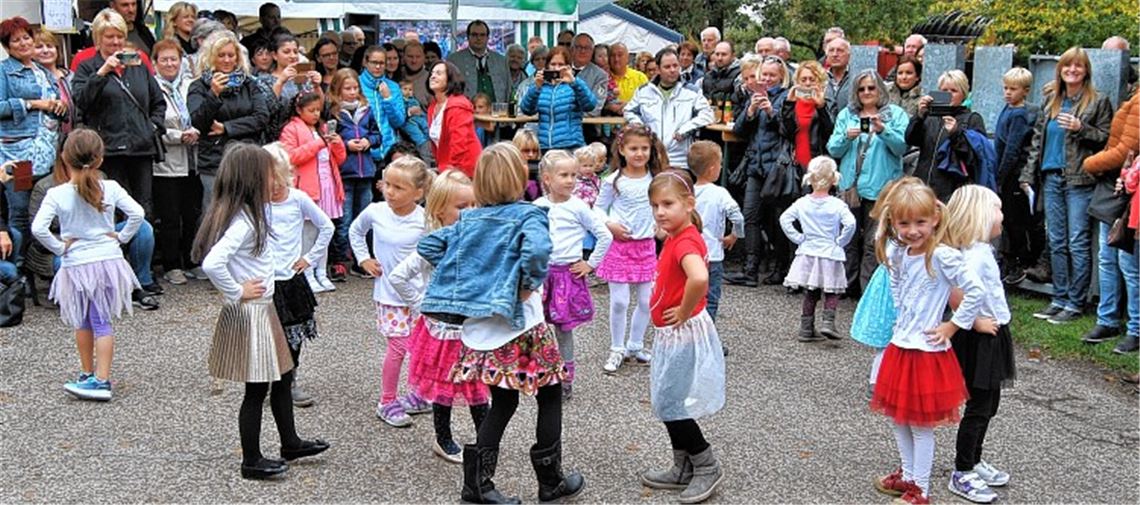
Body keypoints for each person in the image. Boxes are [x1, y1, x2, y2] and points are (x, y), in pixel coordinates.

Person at [420, 143, 583, 504]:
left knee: (504, 402)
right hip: (522, 327)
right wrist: (525, 284)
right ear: (518, 177)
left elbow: (430, 246)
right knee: (550, 395)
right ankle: (550, 480)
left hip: (484, 331)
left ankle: (476, 484)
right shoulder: (528, 215)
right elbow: (539, 252)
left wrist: (473, 285)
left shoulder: (469, 220)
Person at [193, 143, 329, 480]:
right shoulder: (246, 222)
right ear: (253, 179)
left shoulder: (245, 214)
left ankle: (290, 442)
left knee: (282, 375)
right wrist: (236, 291)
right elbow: (213, 263)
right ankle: (251, 460)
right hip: (253, 311)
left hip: (263, 308)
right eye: (269, 175)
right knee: (256, 390)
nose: (276, 180)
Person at [869, 178, 989, 505]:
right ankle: (907, 476)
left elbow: (976, 291)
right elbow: (896, 281)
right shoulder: (897, 250)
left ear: (935, 218)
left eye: (920, 222)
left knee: (920, 425)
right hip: (901, 346)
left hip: (927, 351)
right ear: (893, 222)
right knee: (897, 417)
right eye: (903, 223)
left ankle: (921, 490)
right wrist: (900, 316)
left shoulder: (942, 256)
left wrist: (953, 326)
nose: (912, 230)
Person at [31, 129, 143, 401]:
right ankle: (98, 377)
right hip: (108, 261)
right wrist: (121, 237)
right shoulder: (111, 187)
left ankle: (93, 376)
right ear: (100, 160)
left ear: (64, 159)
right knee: (100, 320)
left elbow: (38, 228)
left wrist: (60, 247)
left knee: (83, 319)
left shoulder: (57, 194)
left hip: (77, 263)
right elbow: (137, 214)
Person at [390, 169, 490, 463]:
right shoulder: (434, 244)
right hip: (444, 331)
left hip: (474, 328)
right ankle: (442, 438)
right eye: (461, 207)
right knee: (444, 388)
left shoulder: (479, 242)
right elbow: (398, 276)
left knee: (477, 385)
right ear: (439, 211)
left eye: (474, 205)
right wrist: (422, 304)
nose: (470, 212)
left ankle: (486, 439)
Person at [639, 169, 726, 504]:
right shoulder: (676, 235)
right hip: (673, 333)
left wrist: (687, 308)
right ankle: (682, 467)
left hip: (683, 334)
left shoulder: (686, 240)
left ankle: (706, 464)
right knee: (668, 400)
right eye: (655, 205)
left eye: (668, 204)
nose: (660, 211)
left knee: (670, 402)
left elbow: (700, 278)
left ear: (689, 204)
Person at [1024, 47, 1113, 324]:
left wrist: (1080, 128)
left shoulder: (1098, 101)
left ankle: (1076, 302)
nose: (1072, 70)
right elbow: (1037, 141)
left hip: (1080, 179)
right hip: (1051, 177)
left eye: (1078, 66)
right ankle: (1059, 298)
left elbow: (1106, 139)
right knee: (1056, 241)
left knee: (1077, 242)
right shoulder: (1051, 99)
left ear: (1086, 71)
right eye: (1067, 66)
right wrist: (1027, 175)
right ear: (1060, 70)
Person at [941, 185, 1017, 504]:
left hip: (994, 332)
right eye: (997, 209)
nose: (1002, 215)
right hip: (980, 336)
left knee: (989, 405)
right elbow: (958, 297)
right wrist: (976, 323)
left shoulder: (981, 249)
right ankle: (962, 471)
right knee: (979, 406)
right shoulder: (971, 255)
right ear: (979, 215)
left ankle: (974, 459)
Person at [350, 157, 434, 427]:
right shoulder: (375, 211)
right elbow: (356, 231)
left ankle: (418, 394)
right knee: (398, 347)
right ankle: (387, 401)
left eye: (399, 187)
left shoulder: (424, 220)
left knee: (420, 348)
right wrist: (364, 258)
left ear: (418, 193)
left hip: (419, 296)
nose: (390, 192)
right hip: (389, 296)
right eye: (387, 184)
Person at [72, 8, 165, 226]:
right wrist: (102, 73)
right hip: (108, 149)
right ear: (98, 38)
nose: (116, 41)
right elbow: (81, 102)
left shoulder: (139, 64)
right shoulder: (87, 67)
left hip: (140, 147)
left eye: (120, 36)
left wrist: (153, 127)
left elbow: (158, 102)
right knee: (112, 205)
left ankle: (142, 256)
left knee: (143, 206)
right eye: (109, 36)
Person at [534, 150, 614, 401]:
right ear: (547, 179)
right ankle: (542, 371)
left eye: (574, 175)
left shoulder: (578, 206)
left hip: (566, 275)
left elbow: (605, 235)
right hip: (541, 275)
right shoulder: (537, 207)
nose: (570, 181)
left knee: (563, 328)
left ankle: (566, 375)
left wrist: (590, 264)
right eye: (564, 175)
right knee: (537, 325)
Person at [263, 142, 334, 408]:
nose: (273, 186)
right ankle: (267, 381)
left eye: (277, 179)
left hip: (291, 278)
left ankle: (289, 379)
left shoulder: (297, 198)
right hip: (266, 279)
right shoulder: (256, 202)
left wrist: (310, 258)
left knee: (293, 334)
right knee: (268, 333)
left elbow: (325, 226)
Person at [827, 69, 909, 293]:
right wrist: (846, 136)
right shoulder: (847, 114)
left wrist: (883, 130)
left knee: (875, 242)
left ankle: (868, 291)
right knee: (848, 239)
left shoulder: (896, 115)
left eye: (871, 88)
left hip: (882, 189)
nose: (866, 92)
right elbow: (832, 147)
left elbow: (902, 146)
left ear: (880, 89)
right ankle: (845, 286)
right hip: (850, 188)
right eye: (861, 89)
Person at [595, 124, 667, 373]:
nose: (639, 153)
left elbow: (661, 206)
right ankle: (616, 347)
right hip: (619, 246)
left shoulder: (656, 179)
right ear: (622, 150)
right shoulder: (613, 180)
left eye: (644, 148)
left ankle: (635, 344)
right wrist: (610, 225)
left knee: (647, 300)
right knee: (619, 301)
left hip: (645, 246)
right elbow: (596, 209)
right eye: (634, 148)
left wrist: (661, 225)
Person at [1, 16, 66, 265]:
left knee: (44, 210)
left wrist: (57, 106)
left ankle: (40, 266)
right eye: (16, 40)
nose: (23, 43)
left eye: (26, 37)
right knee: (19, 211)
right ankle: (18, 271)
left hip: (47, 152)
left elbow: (51, 105)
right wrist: (31, 104)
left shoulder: (42, 71)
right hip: (19, 155)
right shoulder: (4, 71)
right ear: (7, 46)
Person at [726, 55, 794, 287]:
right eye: (763, 75)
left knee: (778, 219)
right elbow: (739, 129)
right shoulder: (753, 95)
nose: (766, 79)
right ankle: (750, 269)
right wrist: (751, 111)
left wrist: (772, 113)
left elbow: (790, 130)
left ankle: (781, 268)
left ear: (781, 77)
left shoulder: (787, 96)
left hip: (778, 168)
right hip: (756, 165)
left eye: (771, 75)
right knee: (750, 215)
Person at [1080, 92, 1139, 351]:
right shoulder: (1136, 96)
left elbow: (1127, 148)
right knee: (1109, 257)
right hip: (1121, 184)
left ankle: (1132, 327)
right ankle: (1109, 319)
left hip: (1127, 189)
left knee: (1127, 262)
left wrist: (1091, 163)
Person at [187, 30, 270, 209]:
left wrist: (227, 127)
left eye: (230, 55)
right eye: (221, 55)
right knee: (215, 212)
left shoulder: (249, 84)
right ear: (211, 57)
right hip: (215, 161)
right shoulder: (199, 86)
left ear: (237, 57)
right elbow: (198, 121)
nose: (226, 60)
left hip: (247, 157)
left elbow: (262, 118)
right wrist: (213, 94)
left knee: (249, 211)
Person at [779, 156, 856, 341]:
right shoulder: (837, 205)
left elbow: (785, 219)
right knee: (832, 289)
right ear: (833, 179)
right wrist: (840, 241)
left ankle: (806, 328)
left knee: (811, 291)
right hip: (830, 252)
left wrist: (798, 238)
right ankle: (828, 322)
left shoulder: (802, 203)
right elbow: (851, 224)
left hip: (808, 251)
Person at [279, 92, 347, 293]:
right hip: (307, 188)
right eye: (311, 110)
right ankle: (307, 273)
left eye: (318, 109)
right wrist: (318, 143)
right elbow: (290, 156)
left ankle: (321, 273)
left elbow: (340, 159)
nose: (316, 114)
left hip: (328, 186)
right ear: (299, 110)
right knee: (307, 234)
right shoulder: (291, 129)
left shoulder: (324, 128)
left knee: (324, 231)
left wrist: (337, 143)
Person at [151, 39, 201, 286]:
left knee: (192, 213)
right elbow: (154, 124)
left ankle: (191, 260)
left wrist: (197, 131)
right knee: (170, 217)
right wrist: (177, 136)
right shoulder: (152, 88)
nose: (170, 64)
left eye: (174, 59)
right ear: (155, 63)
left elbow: (201, 113)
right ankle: (172, 265)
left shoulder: (190, 85)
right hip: (167, 162)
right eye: (165, 59)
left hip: (193, 160)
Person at [329, 68, 382, 279]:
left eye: (355, 88)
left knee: (366, 218)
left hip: (366, 170)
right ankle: (340, 260)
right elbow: (329, 138)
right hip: (345, 171)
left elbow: (377, 135)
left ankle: (364, 259)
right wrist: (345, 144)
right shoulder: (334, 113)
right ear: (337, 90)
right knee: (345, 219)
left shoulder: (366, 110)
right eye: (347, 88)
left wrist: (369, 142)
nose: (352, 92)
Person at [624, 48, 714, 169]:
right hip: (650, 158)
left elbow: (707, 114)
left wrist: (685, 129)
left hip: (680, 161)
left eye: (675, 66)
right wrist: (642, 128)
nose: (672, 70)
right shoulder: (643, 91)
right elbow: (629, 111)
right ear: (658, 69)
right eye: (667, 67)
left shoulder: (692, 92)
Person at [907, 70, 987, 202]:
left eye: (954, 91)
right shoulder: (930, 117)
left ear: (963, 94)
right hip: (923, 186)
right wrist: (919, 116)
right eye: (944, 90)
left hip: (953, 190)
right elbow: (910, 139)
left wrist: (956, 133)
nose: (949, 95)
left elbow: (975, 157)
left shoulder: (972, 119)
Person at [993, 67, 1041, 286]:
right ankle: (1010, 259)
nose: (1008, 93)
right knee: (1007, 220)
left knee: (1015, 220)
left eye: (1013, 89)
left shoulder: (1020, 115)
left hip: (1012, 174)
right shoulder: (1008, 108)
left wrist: (1001, 176)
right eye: (1005, 88)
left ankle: (1022, 261)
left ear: (1026, 91)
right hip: (1003, 169)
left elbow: (1012, 149)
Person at [689, 141, 744, 321]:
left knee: (690, 297)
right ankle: (708, 336)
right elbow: (737, 216)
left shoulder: (688, 193)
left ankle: (690, 335)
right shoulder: (720, 193)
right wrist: (735, 234)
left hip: (691, 254)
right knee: (711, 299)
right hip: (713, 254)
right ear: (713, 168)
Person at [519, 47, 597, 151]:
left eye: (561, 65)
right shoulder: (541, 86)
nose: (556, 68)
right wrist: (536, 87)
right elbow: (526, 109)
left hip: (571, 145)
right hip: (545, 145)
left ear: (568, 67)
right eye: (553, 64)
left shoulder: (575, 84)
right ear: (547, 66)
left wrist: (574, 82)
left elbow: (590, 105)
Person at [359, 45, 408, 180]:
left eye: (382, 63)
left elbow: (399, 121)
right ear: (365, 62)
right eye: (374, 63)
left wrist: (388, 99)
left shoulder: (392, 87)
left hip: (388, 152)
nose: (378, 67)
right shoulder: (356, 85)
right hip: (364, 152)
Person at [427, 61, 482, 177]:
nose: (432, 76)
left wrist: (451, 174)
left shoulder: (458, 105)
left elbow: (459, 144)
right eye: (432, 73)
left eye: (439, 73)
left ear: (450, 79)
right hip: (446, 168)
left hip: (465, 169)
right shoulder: (433, 107)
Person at [448, 21, 511, 104]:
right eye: (474, 35)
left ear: (488, 37)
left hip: (496, 114)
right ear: (468, 36)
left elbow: (508, 90)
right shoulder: (454, 60)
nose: (478, 38)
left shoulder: (501, 61)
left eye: (482, 35)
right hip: (465, 113)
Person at [34, 28, 75, 143]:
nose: (45, 50)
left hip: (71, 140)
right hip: (44, 141)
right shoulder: (31, 79)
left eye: (49, 46)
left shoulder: (70, 76)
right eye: (39, 47)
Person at [570, 34, 610, 118]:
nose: (582, 51)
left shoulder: (600, 75)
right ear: (572, 49)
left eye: (587, 48)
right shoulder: (561, 69)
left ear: (592, 52)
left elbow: (595, 108)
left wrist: (570, 115)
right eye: (579, 47)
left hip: (587, 126)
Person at [398, 79, 434, 164]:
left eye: (410, 89)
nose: (408, 92)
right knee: (415, 133)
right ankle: (422, 144)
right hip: (409, 121)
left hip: (418, 118)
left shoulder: (413, 99)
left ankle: (429, 140)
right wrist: (409, 111)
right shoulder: (400, 100)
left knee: (426, 126)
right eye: (405, 89)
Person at [824, 37, 852, 118]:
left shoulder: (858, 78)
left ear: (849, 55)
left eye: (840, 50)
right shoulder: (819, 78)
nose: (835, 54)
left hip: (850, 128)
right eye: (831, 50)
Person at [402, 41, 432, 106]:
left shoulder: (431, 80)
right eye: (410, 56)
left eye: (418, 57)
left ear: (424, 58)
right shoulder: (395, 75)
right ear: (403, 57)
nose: (414, 61)